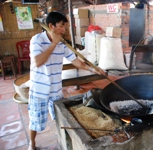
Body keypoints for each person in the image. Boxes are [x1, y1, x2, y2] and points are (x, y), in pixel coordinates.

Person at [28, 11, 105, 150]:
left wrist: (95, 70)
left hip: (56, 88)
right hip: (39, 89)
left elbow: (77, 62)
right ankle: (32, 143)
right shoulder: (37, 40)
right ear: (51, 25)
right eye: (62, 26)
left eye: (65, 26)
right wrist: (53, 44)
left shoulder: (62, 45)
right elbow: (38, 61)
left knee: (59, 117)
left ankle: (62, 140)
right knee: (35, 120)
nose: (64, 30)